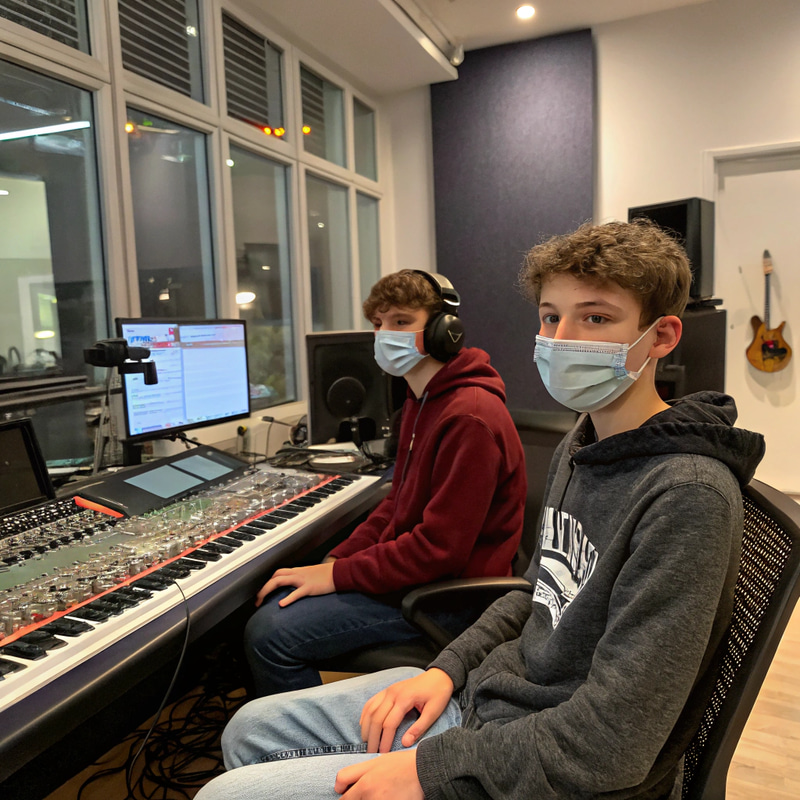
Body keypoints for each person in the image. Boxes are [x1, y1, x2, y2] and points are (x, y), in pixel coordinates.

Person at [196, 220, 765, 800]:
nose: (561, 338)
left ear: (662, 336)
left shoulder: (687, 496)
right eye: (550, 316)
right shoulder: (586, 439)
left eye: (595, 317)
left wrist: (428, 767)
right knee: (250, 728)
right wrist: (448, 667)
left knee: (223, 795)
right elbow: (538, 589)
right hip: (495, 703)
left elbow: (609, 747)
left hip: (550, 767)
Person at [243, 269, 527, 697]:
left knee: (270, 633)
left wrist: (339, 576)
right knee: (280, 597)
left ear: (442, 331)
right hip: (420, 581)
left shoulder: (469, 416)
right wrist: (333, 562)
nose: (384, 334)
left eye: (399, 321)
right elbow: (396, 505)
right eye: (377, 323)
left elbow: (439, 550)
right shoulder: (421, 400)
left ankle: (315, 746)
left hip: (449, 601)